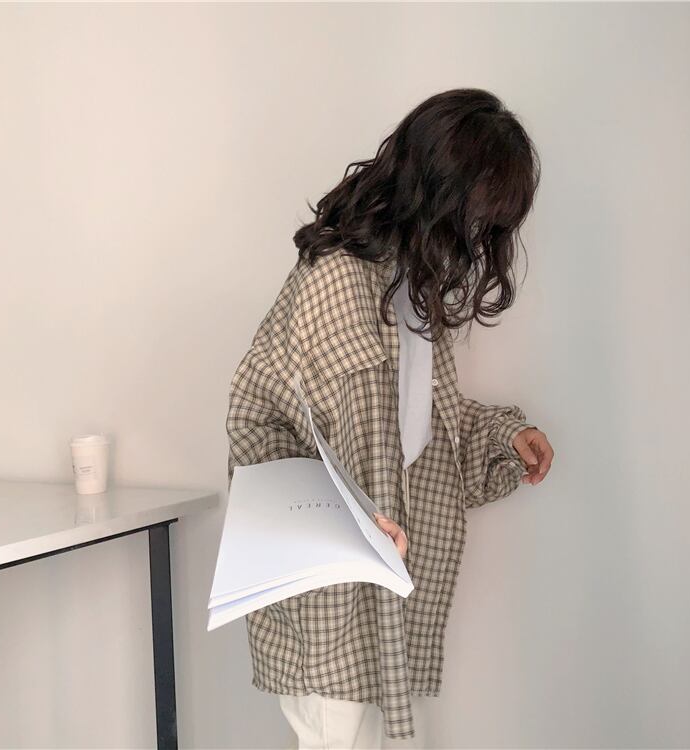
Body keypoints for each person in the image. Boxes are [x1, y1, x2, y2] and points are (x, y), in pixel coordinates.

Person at [226, 87, 554, 749]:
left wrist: (504, 433)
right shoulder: (337, 280)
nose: (478, 236)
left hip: (381, 575)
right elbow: (274, 424)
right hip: (326, 583)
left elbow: (416, 431)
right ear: (435, 189)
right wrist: (355, 514)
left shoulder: (407, 286)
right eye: (476, 213)